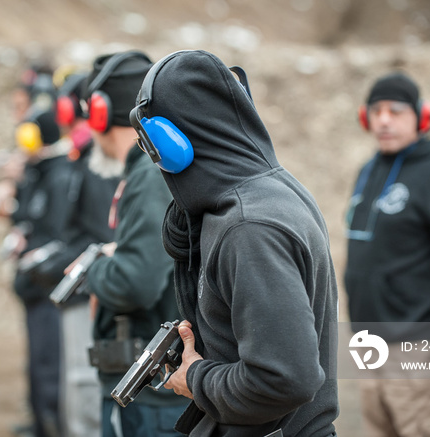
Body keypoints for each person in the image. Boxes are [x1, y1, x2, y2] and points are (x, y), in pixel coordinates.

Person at [132, 50, 339, 436]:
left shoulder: (249, 227)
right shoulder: (267, 191)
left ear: (172, 143)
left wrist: (196, 378)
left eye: (152, 144)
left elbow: (285, 379)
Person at [344, 72, 430, 436]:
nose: (384, 119)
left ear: (421, 117)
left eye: (396, 110)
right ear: (366, 118)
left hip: (420, 352)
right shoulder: (368, 170)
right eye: (376, 111)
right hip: (370, 349)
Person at [79, 50, 189, 437]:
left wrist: (96, 268)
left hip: (152, 397)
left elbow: (135, 282)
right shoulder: (151, 169)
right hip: (156, 387)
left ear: (100, 115)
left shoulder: (147, 175)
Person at [50, 70, 121, 437]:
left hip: (91, 288)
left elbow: (101, 231)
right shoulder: (86, 158)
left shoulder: (98, 162)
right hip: (86, 281)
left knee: (85, 382)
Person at [4, 68, 67, 437]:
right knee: (36, 364)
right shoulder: (39, 173)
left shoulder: (57, 176)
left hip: (46, 290)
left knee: (48, 366)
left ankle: (49, 427)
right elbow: (28, 218)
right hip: (32, 287)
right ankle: (39, 424)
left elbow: (58, 235)